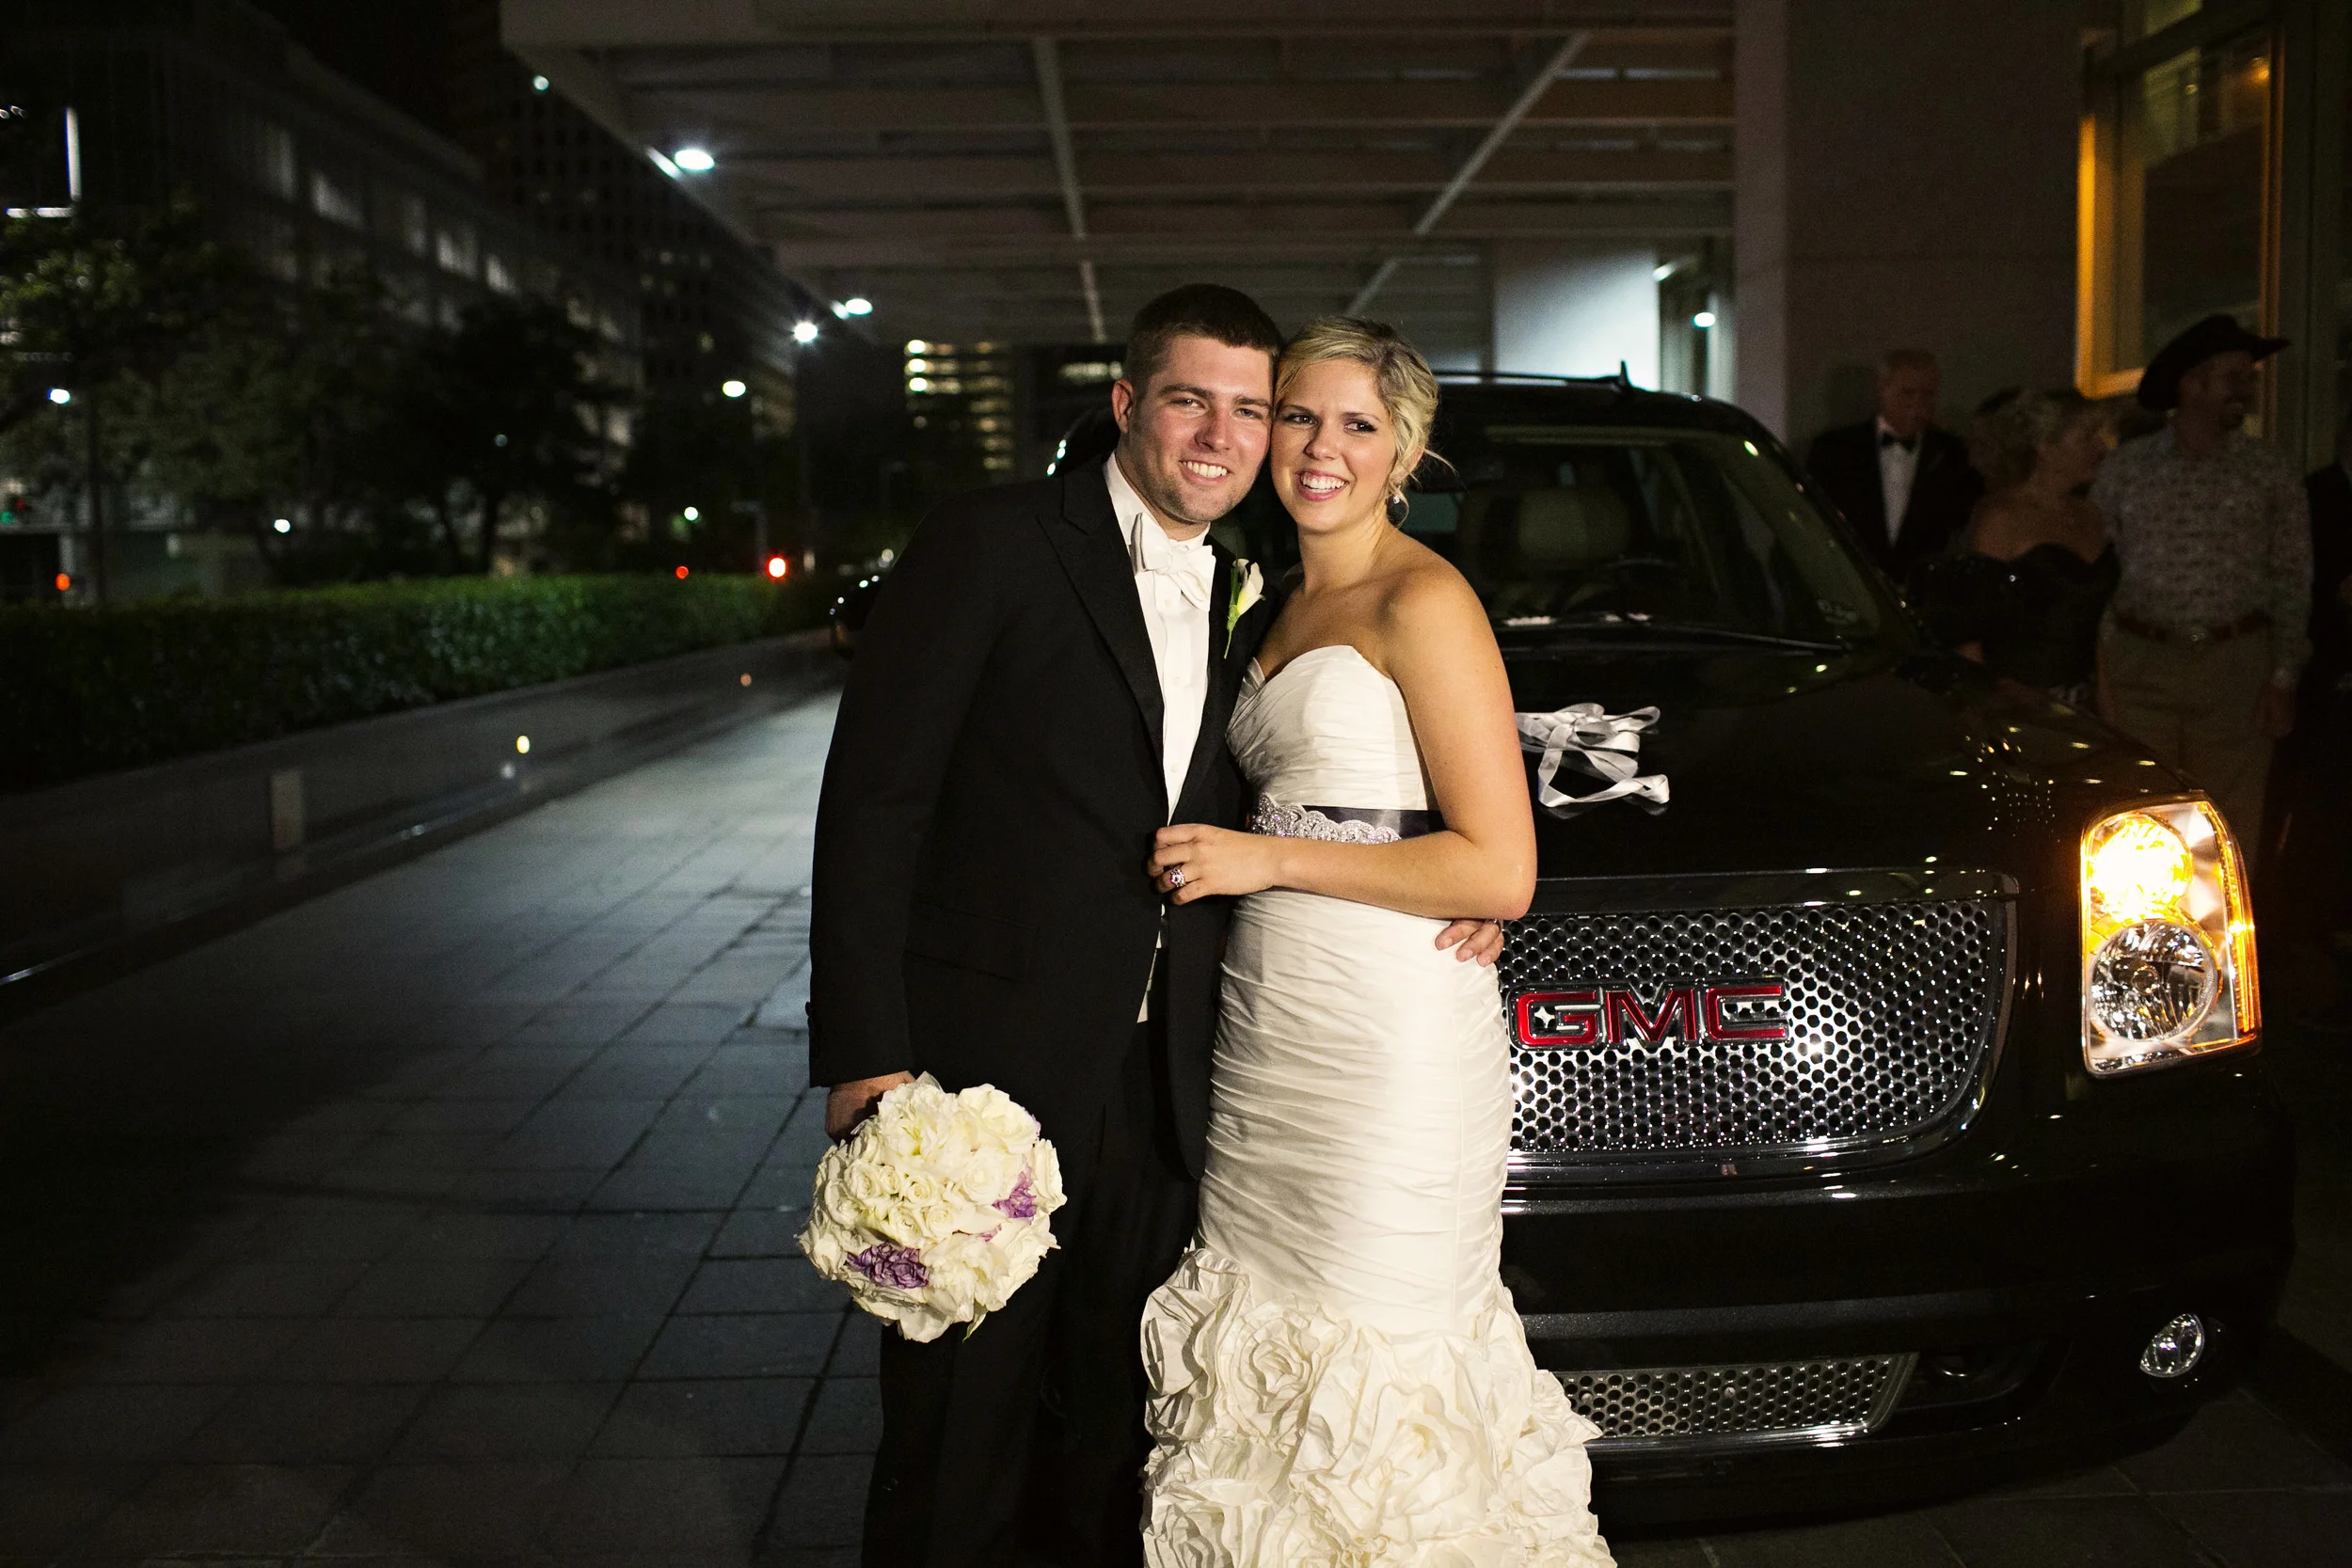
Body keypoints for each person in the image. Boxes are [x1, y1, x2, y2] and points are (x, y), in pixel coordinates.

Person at [806, 285, 1504, 1568]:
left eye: (1254, 408)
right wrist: (865, 1052)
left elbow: (1324, 793)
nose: (1226, 435)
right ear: (1128, 402)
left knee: (1116, 1434)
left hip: (1190, 1082)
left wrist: (1450, 884)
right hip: (989, 1064)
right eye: (1195, 399)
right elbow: (873, 803)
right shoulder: (991, 539)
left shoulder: (1259, 584)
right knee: (959, 1430)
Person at [1137, 318, 1613, 1567]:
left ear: (1405, 448)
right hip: (1271, 1028)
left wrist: (1268, 857)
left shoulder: (1425, 595)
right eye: (1298, 415)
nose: (1319, 446)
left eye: (1356, 423)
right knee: (1271, 1358)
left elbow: (1499, 866)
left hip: (1388, 1039)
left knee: (1386, 1355)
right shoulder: (1277, 600)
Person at [2091, 313, 2312, 852]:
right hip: (2142, 661)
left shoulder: (2269, 470)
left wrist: (2283, 675)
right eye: (2235, 378)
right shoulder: (2126, 470)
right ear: (2193, 385)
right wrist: (2102, 667)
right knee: (2139, 814)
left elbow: (2292, 573)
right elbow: (2096, 573)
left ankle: (2225, 933)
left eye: (2250, 379)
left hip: (2235, 666)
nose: (2248, 392)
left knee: (2229, 822)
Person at [1917, 389, 2118, 707]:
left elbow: (2093, 626)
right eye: (2087, 437)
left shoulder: (2091, 515)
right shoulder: (2002, 520)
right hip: (2018, 699)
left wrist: (2107, 704)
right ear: (2045, 448)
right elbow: (1968, 634)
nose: (2102, 449)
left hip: (2083, 696)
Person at [1805, 348, 1985, 582]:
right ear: (1882, 390)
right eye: (1908, 393)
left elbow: (1962, 520)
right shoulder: (1834, 449)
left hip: (1923, 586)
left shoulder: (1951, 452)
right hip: (1850, 581)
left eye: (1928, 394)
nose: (1918, 403)